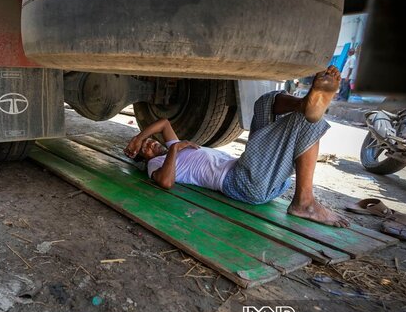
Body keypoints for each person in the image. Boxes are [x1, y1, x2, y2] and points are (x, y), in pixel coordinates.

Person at [124, 66, 350, 228]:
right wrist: (173, 150)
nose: (151, 145)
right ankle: (305, 201)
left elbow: (163, 123)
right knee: (306, 121)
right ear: (145, 159)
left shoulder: (172, 145)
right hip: (243, 183)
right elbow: (165, 182)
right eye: (147, 149)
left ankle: (304, 104)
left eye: (150, 142)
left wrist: (138, 137)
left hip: (254, 175)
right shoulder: (156, 163)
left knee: (265, 102)